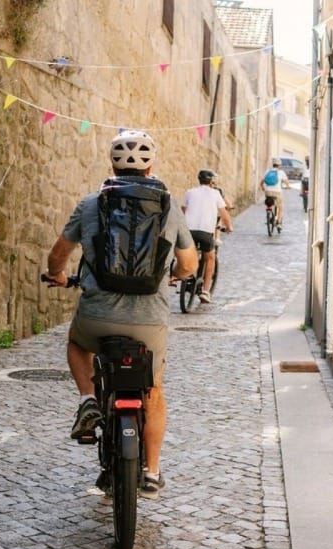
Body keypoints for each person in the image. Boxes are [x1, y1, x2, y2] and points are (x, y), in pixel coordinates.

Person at [44, 130, 196, 498]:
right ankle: (152, 472)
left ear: (111, 163)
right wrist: (175, 276)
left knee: (77, 344)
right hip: (149, 323)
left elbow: (58, 255)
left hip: (97, 317)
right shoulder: (168, 205)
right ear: (151, 166)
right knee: (154, 390)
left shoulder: (91, 204)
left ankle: (88, 400)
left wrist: (60, 276)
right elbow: (189, 263)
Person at [181, 169, 233, 303]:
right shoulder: (215, 194)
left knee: (188, 252)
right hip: (205, 232)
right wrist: (229, 227)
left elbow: (183, 210)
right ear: (211, 181)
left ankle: (185, 275)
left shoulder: (190, 192)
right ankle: (205, 291)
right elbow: (224, 214)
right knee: (210, 258)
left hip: (189, 231)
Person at [261, 160, 289, 226]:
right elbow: (286, 182)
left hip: (267, 191)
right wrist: (288, 186)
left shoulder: (267, 171)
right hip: (277, 192)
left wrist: (263, 188)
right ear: (279, 165)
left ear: (273, 164)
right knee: (281, 207)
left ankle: (271, 216)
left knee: (270, 203)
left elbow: (261, 182)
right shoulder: (281, 172)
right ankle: (279, 223)